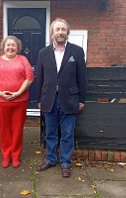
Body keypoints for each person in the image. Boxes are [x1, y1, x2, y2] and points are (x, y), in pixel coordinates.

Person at [36, 18, 87, 178]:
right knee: (50, 133)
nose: (60, 32)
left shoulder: (77, 51)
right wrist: (39, 99)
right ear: (52, 33)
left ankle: (65, 162)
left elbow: (82, 77)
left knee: (67, 134)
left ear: (67, 33)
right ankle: (51, 159)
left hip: (70, 99)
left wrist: (82, 100)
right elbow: (40, 77)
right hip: (49, 99)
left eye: (63, 30)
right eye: (57, 29)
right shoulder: (43, 53)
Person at [0, 36, 34, 168]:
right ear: (3, 47)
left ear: (17, 48)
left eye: (13, 45)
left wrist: (19, 92)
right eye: (8, 45)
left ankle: (15, 155)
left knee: (17, 129)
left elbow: (29, 78)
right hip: (0, 101)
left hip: (20, 101)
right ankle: (6, 155)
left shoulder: (23, 60)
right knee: (4, 130)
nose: (10, 47)